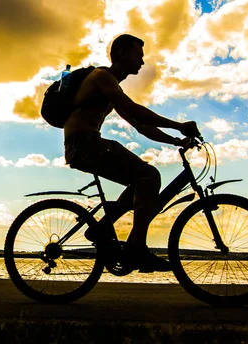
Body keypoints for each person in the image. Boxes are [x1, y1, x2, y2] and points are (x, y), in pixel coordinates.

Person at [64, 34, 200, 272]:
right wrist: (179, 124)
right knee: (149, 176)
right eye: (139, 55)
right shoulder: (102, 77)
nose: (142, 61)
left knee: (141, 180)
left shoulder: (109, 86)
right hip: (85, 143)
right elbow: (132, 109)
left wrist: (175, 140)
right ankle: (136, 248)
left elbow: (140, 125)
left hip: (86, 144)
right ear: (121, 54)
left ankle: (103, 228)